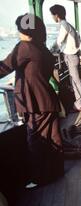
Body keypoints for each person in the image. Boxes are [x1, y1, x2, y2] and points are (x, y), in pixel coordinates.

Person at [0, 14, 64, 188]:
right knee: (53, 136)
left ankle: (39, 178)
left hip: (35, 103)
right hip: (48, 99)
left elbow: (4, 67)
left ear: (23, 30)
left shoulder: (24, 47)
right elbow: (37, 72)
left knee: (35, 140)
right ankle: (57, 171)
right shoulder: (41, 47)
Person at [50, 4, 81, 112]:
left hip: (70, 56)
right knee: (75, 80)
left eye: (52, 15)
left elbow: (59, 41)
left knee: (75, 81)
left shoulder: (64, 25)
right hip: (74, 56)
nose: (52, 17)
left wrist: (50, 50)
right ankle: (79, 102)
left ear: (56, 15)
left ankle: (80, 105)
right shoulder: (69, 25)